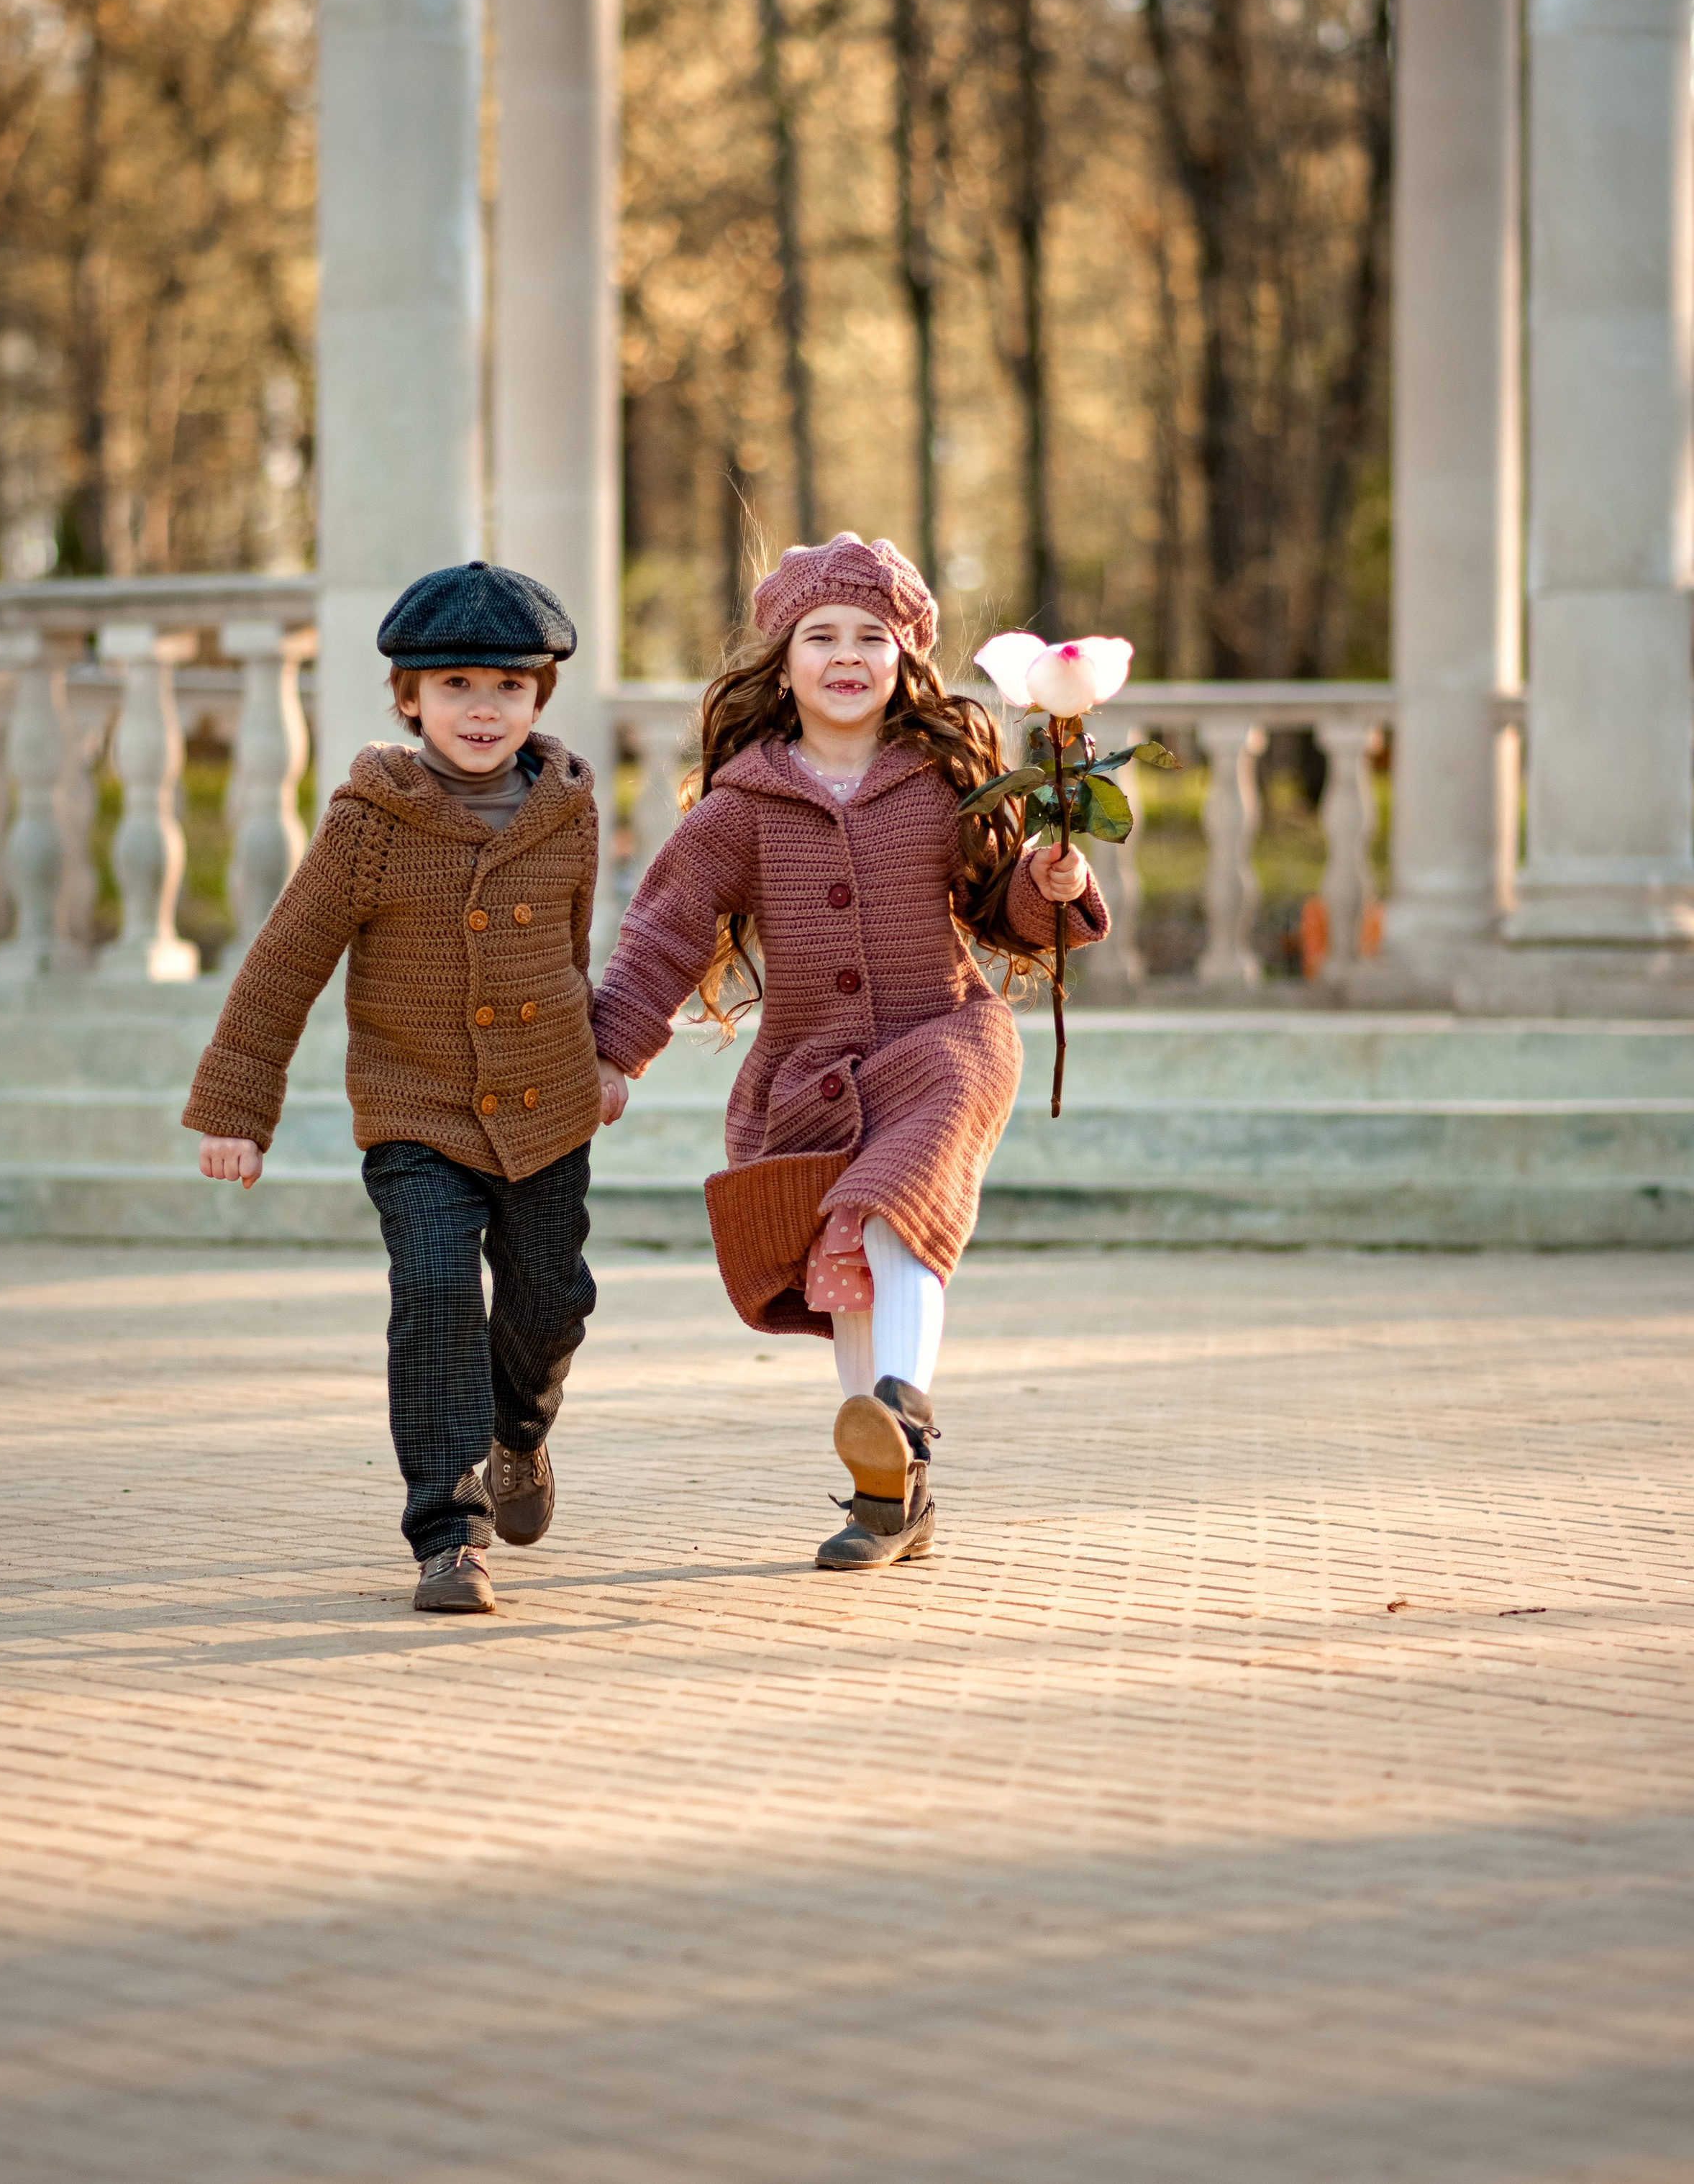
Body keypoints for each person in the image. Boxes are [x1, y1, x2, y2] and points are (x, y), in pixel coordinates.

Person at [591, 532, 1107, 1572]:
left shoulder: (944, 781)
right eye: (820, 634)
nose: (847, 654)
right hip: (813, 1069)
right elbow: (665, 930)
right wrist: (613, 1051)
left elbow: (1002, 909)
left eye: (873, 636)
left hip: (945, 1039)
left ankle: (901, 1417)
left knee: (897, 1204)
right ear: (781, 663)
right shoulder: (742, 806)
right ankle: (889, 1497)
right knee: (849, 1261)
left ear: (905, 660)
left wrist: (1048, 888)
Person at [183, 561, 622, 1616]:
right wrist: (239, 1111)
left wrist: (601, 1055)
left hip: (547, 1107)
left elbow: (571, 950)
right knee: (432, 1295)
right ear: (409, 698)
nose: (484, 710)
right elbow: (285, 962)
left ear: (539, 699)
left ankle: (519, 1435)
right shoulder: (369, 823)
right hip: (414, 1109)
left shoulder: (569, 811)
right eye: (458, 687)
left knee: (549, 1299)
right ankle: (448, 1528)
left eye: (508, 688)